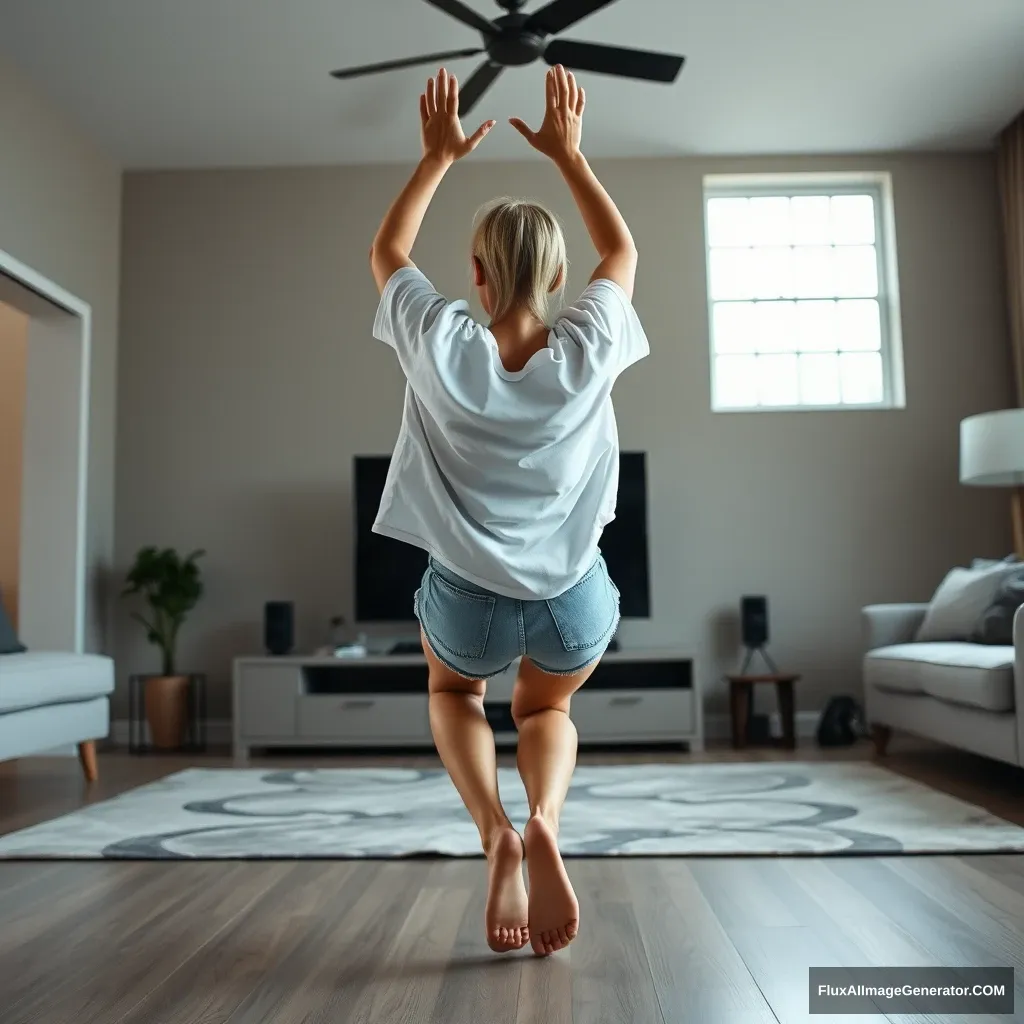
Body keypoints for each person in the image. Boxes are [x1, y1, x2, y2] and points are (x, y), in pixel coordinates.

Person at [368, 64, 648, 957]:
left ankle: (497, 834)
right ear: (560, 275)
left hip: (467, 601)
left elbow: (388, 253)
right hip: (574, 602)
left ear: (479, 279)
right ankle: (548, 822)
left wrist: (438, 159)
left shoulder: (442, 342)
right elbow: (625, 255)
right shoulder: (589, 344)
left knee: (455, 690)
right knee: (546, 715)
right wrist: (571, 156)